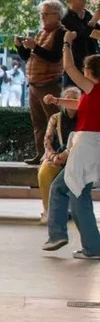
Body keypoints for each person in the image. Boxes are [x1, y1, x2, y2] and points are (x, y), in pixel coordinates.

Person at [42, 33, 100, 259]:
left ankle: (77, 242)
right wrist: (58, 101)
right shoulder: (92, 93)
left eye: (84, 69)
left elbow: (68, 67)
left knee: (73, 193)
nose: (82, 72)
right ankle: (82, 243)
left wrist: (66, 42)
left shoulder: (93, 87)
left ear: (90, 72)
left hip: (86, 145)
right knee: (69, 190)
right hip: (92, 146)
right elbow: (80, 104)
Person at [18, 0, 68, 165]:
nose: (43, 17)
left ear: (57, 15)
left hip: (49, 83)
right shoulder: (41, 32)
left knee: (53, 121)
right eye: (42, 14)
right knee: (38, 122)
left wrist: (35, 47)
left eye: (46, 14)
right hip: (34, 84)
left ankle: (55, 156)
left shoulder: (61, 33)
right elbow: (29, 57)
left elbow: (54, 57)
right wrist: (21, 47)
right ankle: (41, 154)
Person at [39, 88, 81, 222]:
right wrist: (53, 156)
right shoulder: (55, 118)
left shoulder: (85, 118)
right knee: (44, 173)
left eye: (74, 100)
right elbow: (47, 140)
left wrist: (65, 155)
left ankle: (73, 210)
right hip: (56, 157)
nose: (70, 103)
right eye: (67, 99)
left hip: (77, 158)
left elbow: (81, 141)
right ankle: (49, 210)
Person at [63, 0, 97, 69]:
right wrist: (93, 21)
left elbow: (96, 31)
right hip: (76, 63)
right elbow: (80, 36)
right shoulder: (65, 18)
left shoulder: (87, 14)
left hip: (93, 61)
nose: (84, 1)